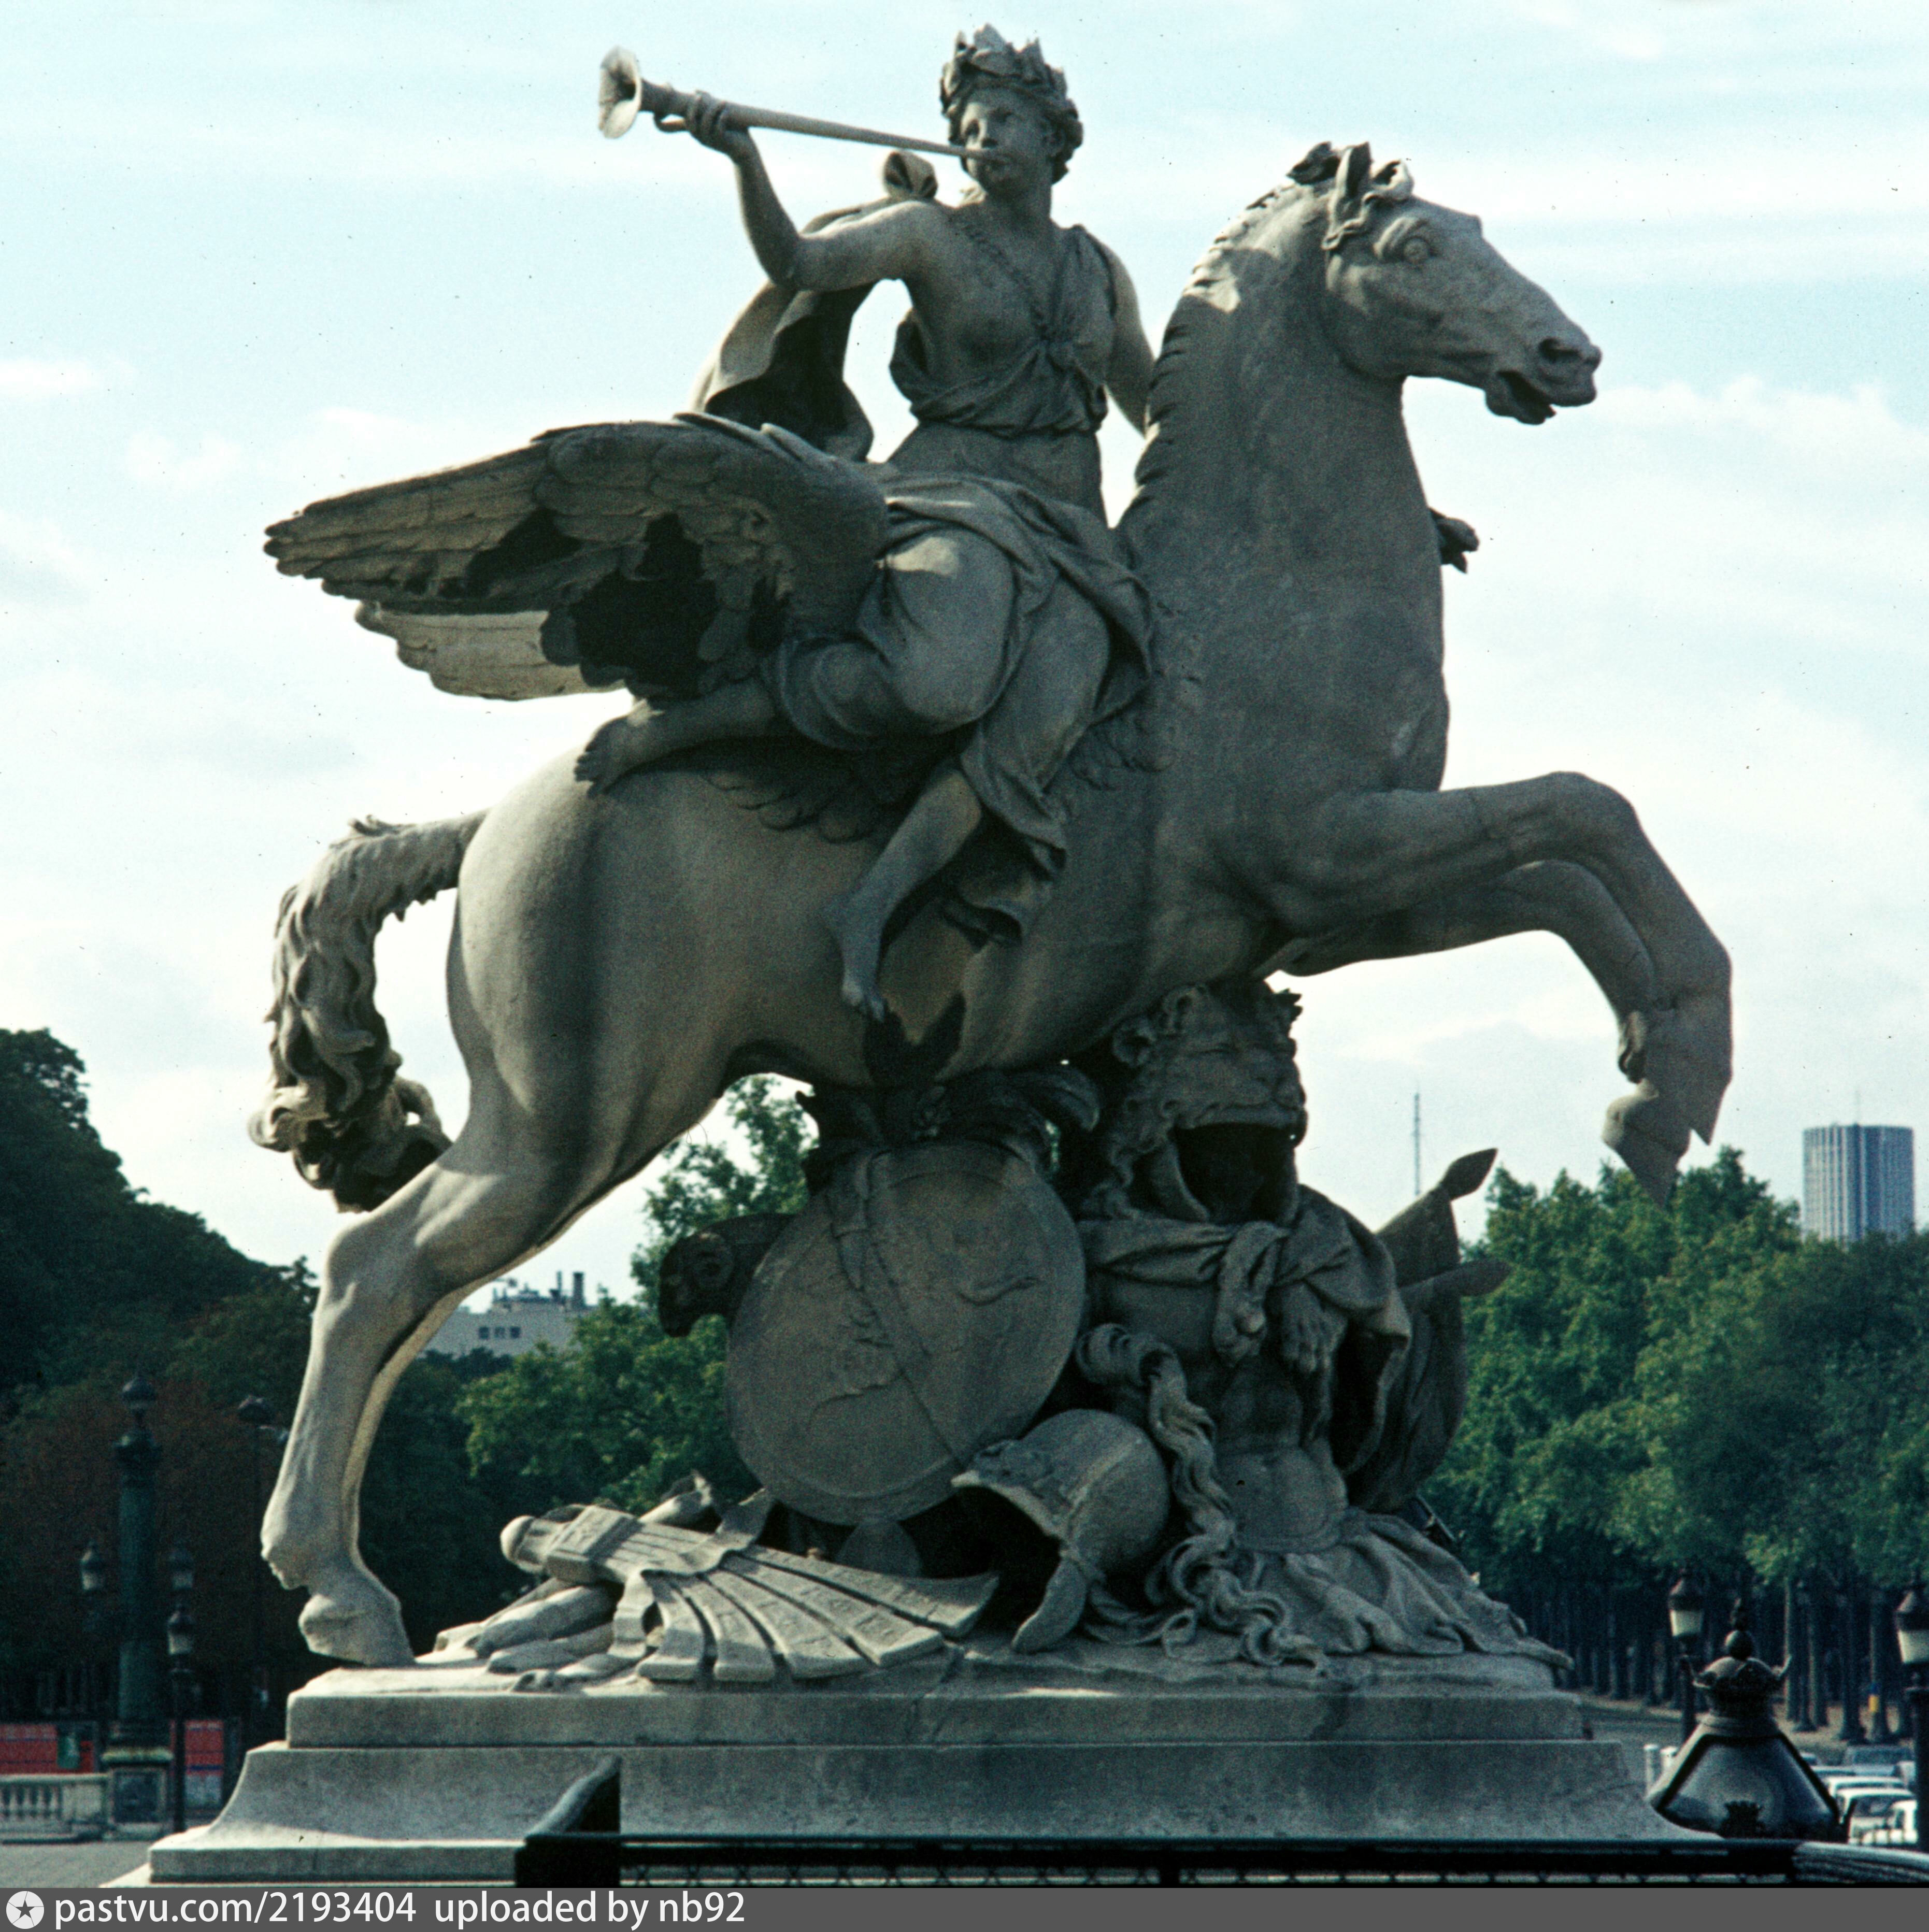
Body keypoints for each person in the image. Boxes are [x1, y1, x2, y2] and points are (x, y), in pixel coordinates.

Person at [575, 27, 1156, 1021]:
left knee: (1046, 718)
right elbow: (800, 261)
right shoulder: (929, 236)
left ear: (1056, 136)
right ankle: (701, 720)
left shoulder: (1097, 270)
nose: (983, 136)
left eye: (1005, 119)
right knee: (936, 682)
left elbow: (1153, 404)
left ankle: (874, 904)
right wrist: (744, 159)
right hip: (956, 505)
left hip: (1073, 537)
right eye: (969, 124)